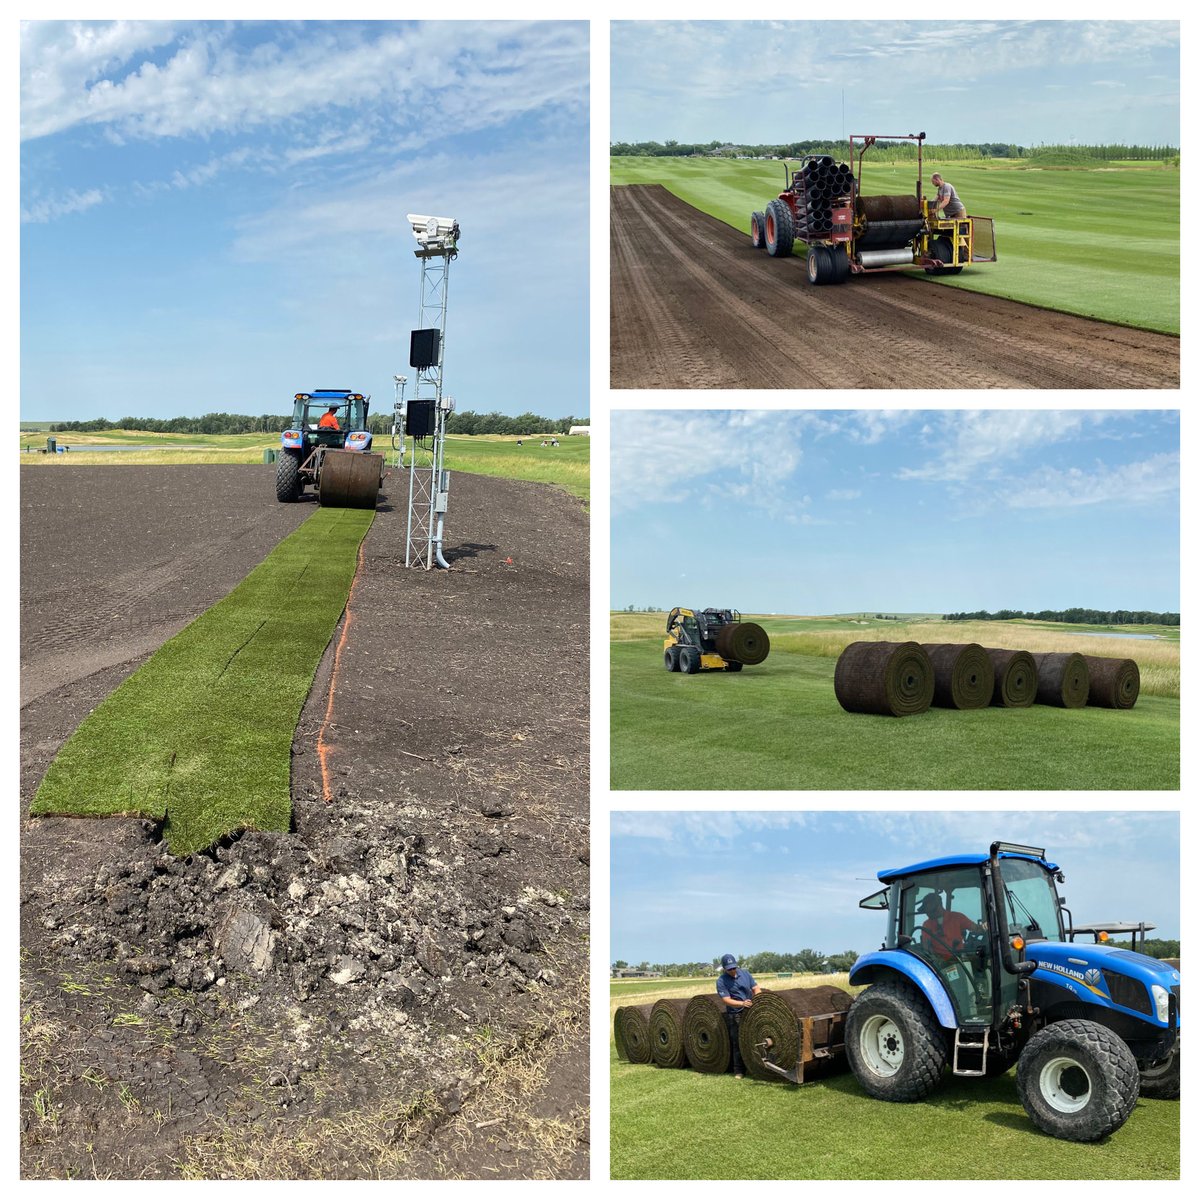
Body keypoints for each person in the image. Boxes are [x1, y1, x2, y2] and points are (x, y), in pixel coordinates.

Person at [716, 953, 761, 1078]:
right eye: (729, 969)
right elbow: (726, 1000)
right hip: (736, 1014)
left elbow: (756, 988)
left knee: (755, 1037)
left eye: (733, 967)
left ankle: (757, 1067)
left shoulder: (745, 974)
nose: (732, 970)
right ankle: (739, 1070)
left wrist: (757, 999)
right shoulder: (721, 981)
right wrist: (742, 1003)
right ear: (724, 968)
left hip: (750, 1010)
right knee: (738, 1042)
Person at [918, 893, 984, 961]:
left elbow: (977, 928)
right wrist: (935, 959)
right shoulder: (926, 925)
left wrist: (984, 927)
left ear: (939, 907)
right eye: (926, 912)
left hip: (959, 959)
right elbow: (926, 947)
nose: (927, 914)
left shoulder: (957, 917)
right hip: (939, 963)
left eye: (929, 911)